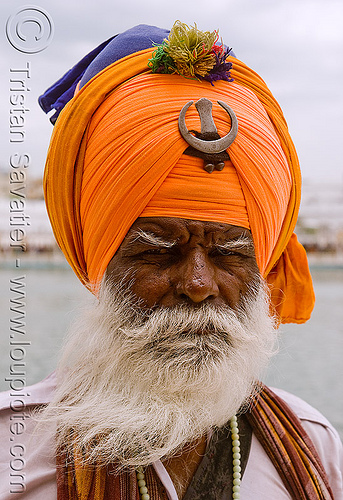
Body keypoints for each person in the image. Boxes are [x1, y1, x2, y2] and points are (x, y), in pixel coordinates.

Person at [0, 21, 342, 499]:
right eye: (159, 250)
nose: (198, 283)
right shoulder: (11, 452)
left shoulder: (313, 448)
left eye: (228, 253)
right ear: (99, 262)